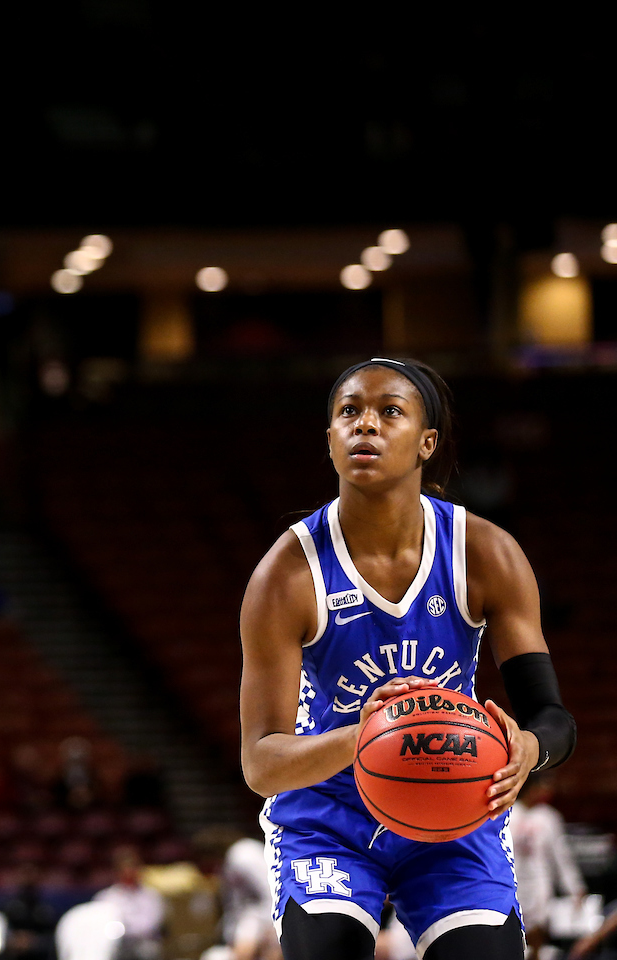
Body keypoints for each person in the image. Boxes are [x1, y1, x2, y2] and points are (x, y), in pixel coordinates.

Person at [239, 358, 577, 960]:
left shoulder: (485, 553)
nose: (365, 425)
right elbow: (261, 763)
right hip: (330, 815)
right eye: (349, 412)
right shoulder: (286, 574)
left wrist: (529, 749)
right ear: (330, 438)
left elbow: (552, 719)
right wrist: (366, 737)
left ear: (427, 442)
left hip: (453, 801)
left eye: (389, 411)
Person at [511, 774, 586, 959]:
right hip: (514, 879)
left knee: (538, 930)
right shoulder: (510, 812)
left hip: (540, 881)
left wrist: (574, 887)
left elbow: (561, 856)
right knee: (515, 931)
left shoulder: (549, 817)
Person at [93, 848, 164, 960]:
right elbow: (105, 925)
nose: (129, 872)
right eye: (125, 869)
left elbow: (152, 924)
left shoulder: (152, 895)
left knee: (149, 950)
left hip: (144, 943)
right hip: (117, 944)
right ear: (117, 871)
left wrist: (130, 931)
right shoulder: (106, 897)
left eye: (132, 868)